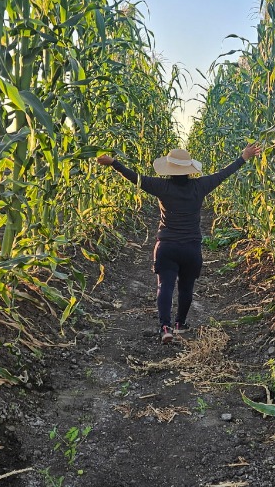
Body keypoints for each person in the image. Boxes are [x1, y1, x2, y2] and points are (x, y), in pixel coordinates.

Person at [96, 144, 261, 343]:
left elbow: (135, 178)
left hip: (167, 246)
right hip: (191, 248)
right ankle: (180, 324)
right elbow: (223, 174)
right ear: (189, 169)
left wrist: (114, 163)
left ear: (169, 169)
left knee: (165, 286)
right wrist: (244, 157)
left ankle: (165, 328)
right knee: (186, 288)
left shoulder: (161, 186)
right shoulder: (200, 185)